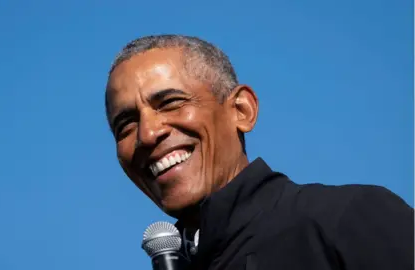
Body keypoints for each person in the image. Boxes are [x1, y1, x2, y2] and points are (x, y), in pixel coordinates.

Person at [104, 34, 414, 270]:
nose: (147, 134)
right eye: (125, 125)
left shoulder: (344, 221)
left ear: (241, 110)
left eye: (171, 102)